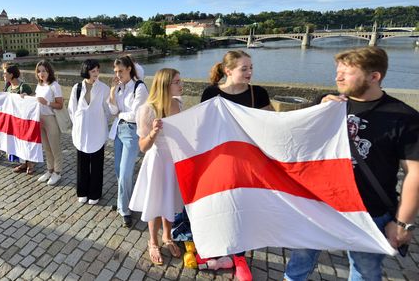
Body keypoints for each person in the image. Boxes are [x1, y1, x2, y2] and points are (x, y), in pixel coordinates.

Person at [284, 47, 419, 281]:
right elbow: (291, 143)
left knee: (364, 273)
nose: (338, 77)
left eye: (346, 72)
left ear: (374, 77)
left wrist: (403, 224)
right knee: (299, 264)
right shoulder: (327, 104)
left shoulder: (404, 117)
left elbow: (414, 174)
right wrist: (317, 111)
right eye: (338, 71)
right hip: (321, 205)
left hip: (369, 211)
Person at [199, 50, 272, 280]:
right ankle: (218, 250)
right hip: (219, 161)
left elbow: (273, 123)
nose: (250, 72)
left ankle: (238, 256)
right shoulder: (211, 93)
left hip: (247, 162)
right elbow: (201, 126)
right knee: (219, 205)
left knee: (242, 208)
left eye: (251, 68)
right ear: (228, 71)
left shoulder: (258, 93)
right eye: (244, 68)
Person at [130, 68, 184, 266]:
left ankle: (167, 236)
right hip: (156, 160)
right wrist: (153, 132)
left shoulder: (179, 104)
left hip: (173, 161)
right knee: (154, 200)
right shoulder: (147, 109)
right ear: (165, 85)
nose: (181, 85)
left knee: (169, 199)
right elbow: (143, 146)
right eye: (177, 82)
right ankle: (152, 241)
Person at [108, 55, 149, 227]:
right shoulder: (119, 88)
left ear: (129, 69)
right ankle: (123, 201)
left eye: (121, 71)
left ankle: (125, 210)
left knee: (125, 173)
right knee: (119, 171)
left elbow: (136, 114)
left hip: (132, 132)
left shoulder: (139, 87)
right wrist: (111, 92)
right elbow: (112, 110)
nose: (118, 75)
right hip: (118, 130)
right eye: (116, 72)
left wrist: (120, 114)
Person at [68, 59, 110, 205]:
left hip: (97, 131)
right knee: (82, 163)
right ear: (86, 71)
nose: (96, 74)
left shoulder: (104, 88)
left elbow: (108, 109)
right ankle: (82, 191)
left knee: (97, 163)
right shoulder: (77, 88)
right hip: (81, 131)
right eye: (93, 71)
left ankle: (95, 192)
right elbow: (72, 110)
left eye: (98, 71)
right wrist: (79, 124)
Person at [34, 60, 64, 185]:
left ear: (49, 72)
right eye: (39, 71)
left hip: (51, 119)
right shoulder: (39, 85)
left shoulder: (54, 85)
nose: (41, 73)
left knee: (54, 147)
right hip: (40, 119)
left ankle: (57, 172)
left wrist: (46, 102)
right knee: (46, 148)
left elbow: (60, 104)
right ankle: (49, 170)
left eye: (44, 71)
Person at [3, 63, 35, 172]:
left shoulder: (23, 86)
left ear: (12, 74)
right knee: (17, 141)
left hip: (23, 119)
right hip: (13, 119)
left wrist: (26, 97)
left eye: (5, 73)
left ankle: (30, 163)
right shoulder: (8, 86)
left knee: (25, 140)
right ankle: (23, 163)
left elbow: (34, 100)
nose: (4, 75)